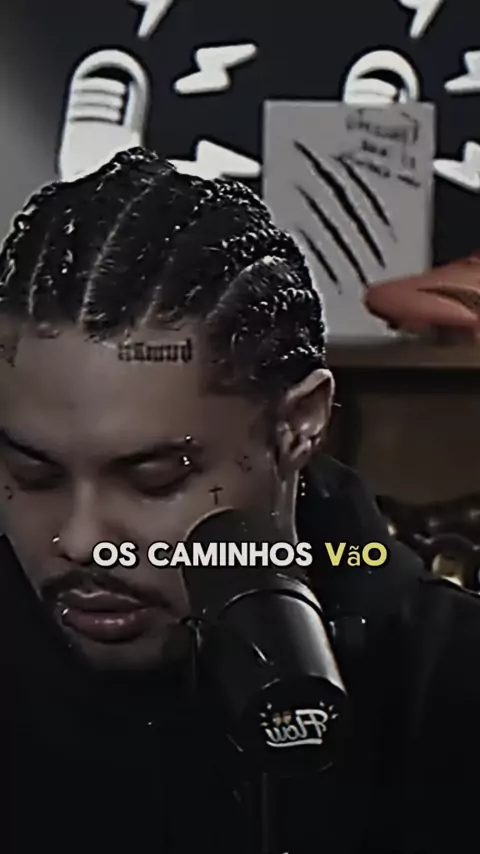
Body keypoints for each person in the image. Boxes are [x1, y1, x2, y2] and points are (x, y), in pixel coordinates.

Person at [0, 147, 478, 854]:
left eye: (154, 478)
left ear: (298, 425)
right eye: (33, 474)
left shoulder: (449, 689)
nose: (81, 539)